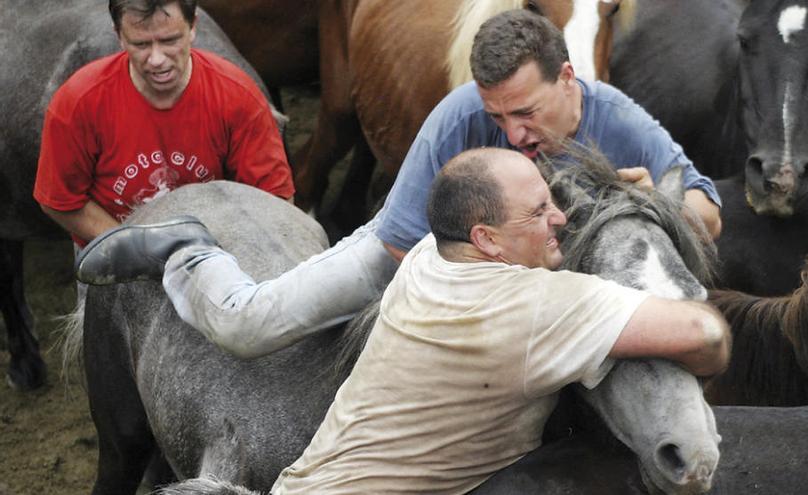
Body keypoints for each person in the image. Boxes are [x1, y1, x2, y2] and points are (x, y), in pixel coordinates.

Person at [75, 9, 721, 359]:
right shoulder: (459, 116)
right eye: (499, 117)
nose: (514, 133)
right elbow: (406, 256)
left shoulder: (617, 116)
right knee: (254, 329)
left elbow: (706, 206)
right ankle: (190, 250)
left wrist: (659, 206)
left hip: (531, 277)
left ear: (570, 81)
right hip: (412, 255)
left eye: (527, 113)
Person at [267, 147, 730, 493]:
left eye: (550, 200)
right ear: (486, 239)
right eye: (537, 212)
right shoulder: (530, 308)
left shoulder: (431, 256)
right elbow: (703, 334)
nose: (561, 218)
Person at [33, 0, 294, 248]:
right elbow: (60, 201)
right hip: (114, 248)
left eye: (170, 40)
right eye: (141, 44)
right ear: (119, 36)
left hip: (217, 249)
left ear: (193, 27)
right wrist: (135, 246)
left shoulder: (238, 97)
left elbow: (275, 200)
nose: (157, 59)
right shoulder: (78, 102)